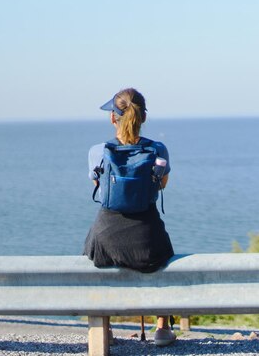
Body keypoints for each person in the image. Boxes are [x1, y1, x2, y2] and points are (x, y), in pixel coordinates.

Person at [83, 87, 176, 347]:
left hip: (107, 237)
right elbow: (162, 185)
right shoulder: (158, 150)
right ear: (143, 117)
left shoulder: (97, 151)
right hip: (146, 235)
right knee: (165, 256)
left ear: (113, 118)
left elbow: (98, 187)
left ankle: (106, 328)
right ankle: (162, 330)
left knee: (92, 250)